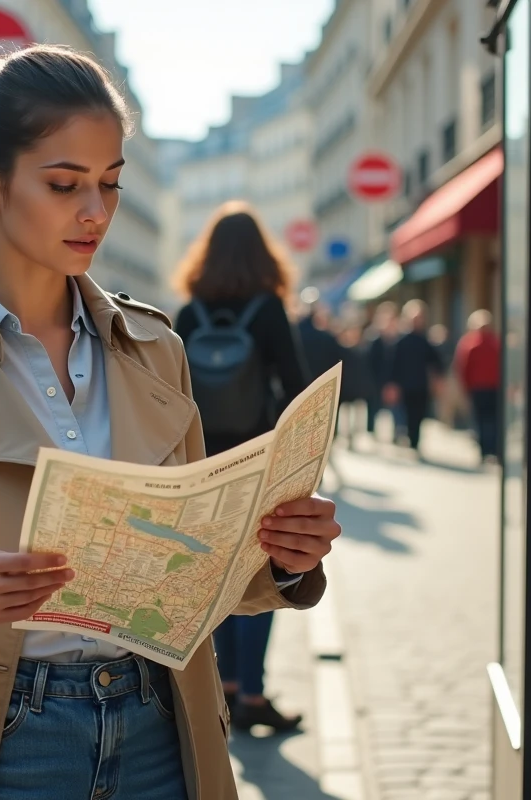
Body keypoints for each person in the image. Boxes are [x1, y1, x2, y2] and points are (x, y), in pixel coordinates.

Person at [0, 46, 342, 800]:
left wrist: (282, 558)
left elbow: (192, 580)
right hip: (2, 739)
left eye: (111, 184)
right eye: (64, 184)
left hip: (163, 724)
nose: (96, 211)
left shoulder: (156, 348)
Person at [173, 200, 311, 733]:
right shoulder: (269, 308)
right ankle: (252, 692)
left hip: (204, 462)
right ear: (261, 252)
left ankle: (224, 688)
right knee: (260, 573)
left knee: (214, 578)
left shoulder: (190, 311)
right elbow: (297, 385)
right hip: (258, 462)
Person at [385, 299, 444, 452]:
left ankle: (415, 441)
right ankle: (408, 438)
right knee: (407, 414)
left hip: (421, 385)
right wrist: (391, 384)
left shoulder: (425, 340)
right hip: (405, 385)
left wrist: (438, 380)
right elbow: (393, 364)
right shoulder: (401, 341)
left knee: (419, 414)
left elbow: (436, 362)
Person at [453, 309, 502, 463]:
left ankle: (485, 449)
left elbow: (463, 368)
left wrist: (466, 387)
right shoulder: (494, 343)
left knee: (482, 419)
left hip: (480, 388)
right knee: (491, 419)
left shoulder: (470, 343)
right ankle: (491, 449)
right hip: (490, 388)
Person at [365, 301, 402, 442]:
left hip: (394, 381)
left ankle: (397, 434)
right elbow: (370, 362)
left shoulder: (399, 339)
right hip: (376, 381)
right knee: (374, 408)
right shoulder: (374, 338)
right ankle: (372, 432)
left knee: (396, 410)